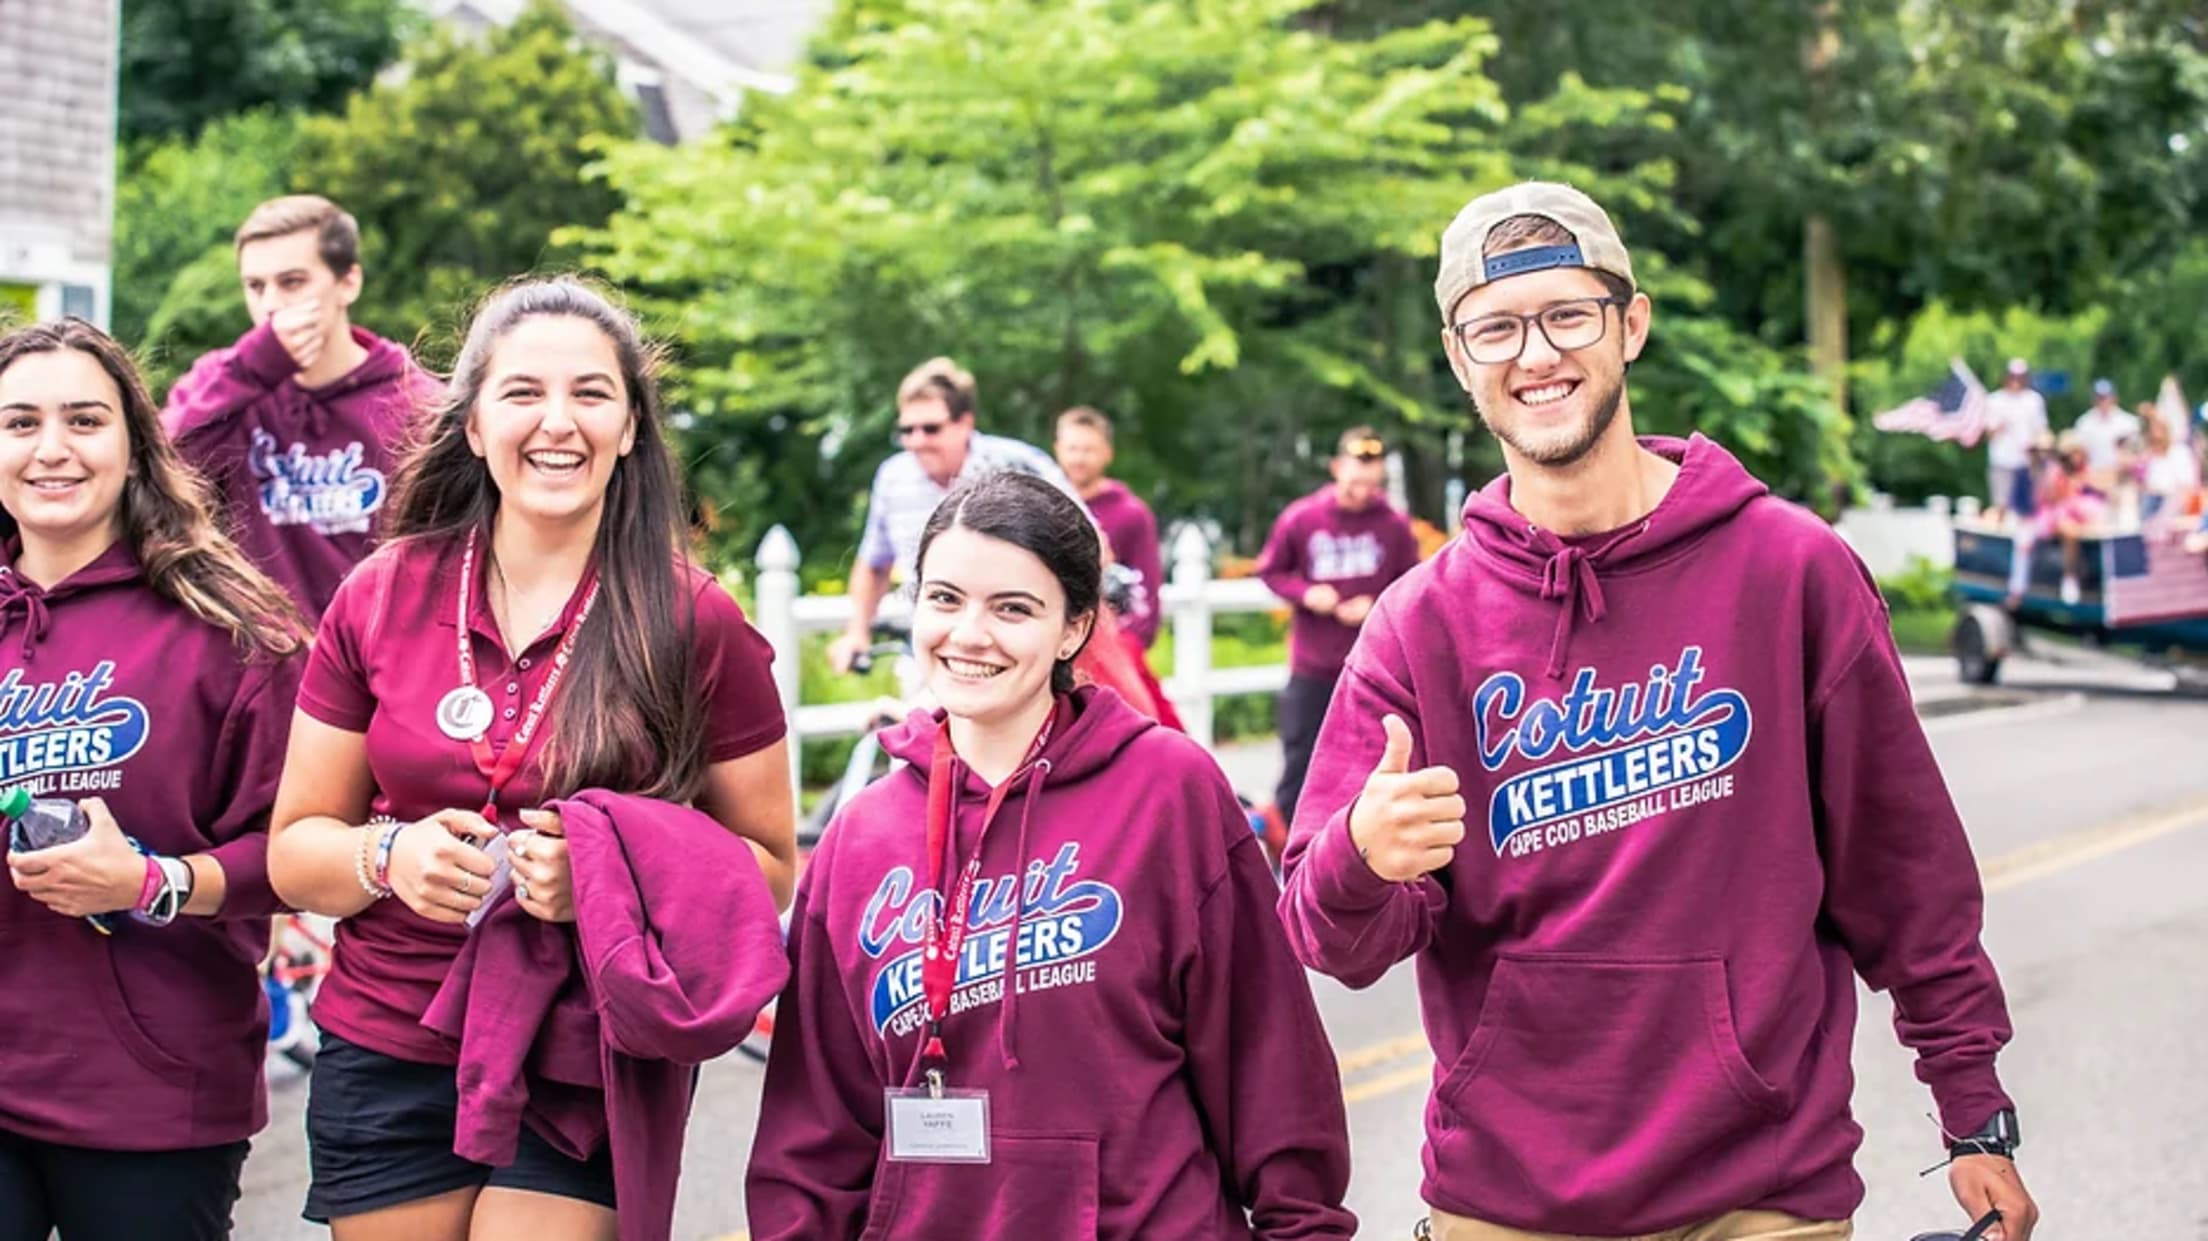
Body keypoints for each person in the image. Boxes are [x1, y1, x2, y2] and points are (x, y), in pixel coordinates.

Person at [1276, 182, 2038, 1241]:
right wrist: (1363, 855)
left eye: (1567, 314)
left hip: (1763, 1190)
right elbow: (1331, 937)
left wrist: (1974, 1113)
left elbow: (1904, 871)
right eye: (1495, 328)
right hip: (1507, 1202)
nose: (1534, 354)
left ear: (1630, 324)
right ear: (1460, 359)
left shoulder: (1792, 572)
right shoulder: (1419, 625)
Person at [264, 279, 798, 1241]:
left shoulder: (696, 618)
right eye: (523, 393)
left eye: (592, 394)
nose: (559, 422)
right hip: (389, 1036)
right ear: (472, 425)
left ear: (632, 427)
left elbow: (765, 869)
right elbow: (295, 848)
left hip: (582, 1050)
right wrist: (388, 857)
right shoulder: (379, 594)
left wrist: (604, 880)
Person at [747, 470, 1354, 1240]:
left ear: (1074, 627)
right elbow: (815, 1127)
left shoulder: (1168, 791)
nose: (969, 633)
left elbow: (1268, 1057)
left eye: (1013, 608)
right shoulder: (860, 837)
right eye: (944, 598)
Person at [0, 319, 309, 1239]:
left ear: (135, 443)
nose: (52, 448)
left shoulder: (231, 629)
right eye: (20, 422)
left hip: (151, 1093)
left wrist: (150, 881)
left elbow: (296, 850)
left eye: (85, 420)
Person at [161, 194, 438, 621]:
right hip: (260, 659)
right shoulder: (223, 382)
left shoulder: (414, 400)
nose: (271, 304)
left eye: (291, 282)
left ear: (349, 283)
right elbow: (157, 472)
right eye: (255, 286)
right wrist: (255, 369)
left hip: (376, 655)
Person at [829, 357, 1081, 675]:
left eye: (931, 428)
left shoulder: (1017, 464)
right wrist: (857, 632)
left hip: (1010, 647)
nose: (917, 441)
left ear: (965, 422)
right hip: (930, 648)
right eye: (907, 430)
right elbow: (873, 564)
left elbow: (1088, 546)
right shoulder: (894, 477)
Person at [1256, 425, 1420, 822]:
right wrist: (1307, 592)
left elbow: (1413, 584)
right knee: (1301, 761)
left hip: (1372, 665)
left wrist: (1376, 604)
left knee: (1373, 761)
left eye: (1371, 477)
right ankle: (1289, 854)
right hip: (1313, 665)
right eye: (1355, 476)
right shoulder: (1303, 518)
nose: (1362, 486)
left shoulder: (1393, 525)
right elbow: (1270, 570)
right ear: (1336, 467)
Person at [1054, 405, 1164, 648]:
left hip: (1112, 642)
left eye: (1089, 450)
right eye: (1072, 449)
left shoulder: (1132, 514)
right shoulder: (1047, 508)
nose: (1079, 458)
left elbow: (1146, 592)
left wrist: (1127, 644)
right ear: (1058, 450)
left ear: (1107, 453)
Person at [1981, 358, 2047, 523]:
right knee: (2001, 504)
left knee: (2028, 507)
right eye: (2013, 376)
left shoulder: (2034, 400)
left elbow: (2041, 430)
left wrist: (2036, 448)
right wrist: (1999, 428)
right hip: (2002, 460)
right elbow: (1987, 433)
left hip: (2026, 462)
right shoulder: (1994, 400)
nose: (2016, 381)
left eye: (2020, 377)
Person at [2070, 378, 2140, 490]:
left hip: (2121, 479)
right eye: (2099, 398)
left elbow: (2135, 454)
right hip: (2092, 478)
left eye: (2106, 397)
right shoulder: (2084, 423)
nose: (2103, 401)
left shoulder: (2128, 423)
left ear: (2114, 398)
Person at [2137, 401, 2196, 520]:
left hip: (2174, 501)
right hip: (2152, 500)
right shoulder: (2147, 457)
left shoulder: (2180, 452)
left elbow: (2187, 486)